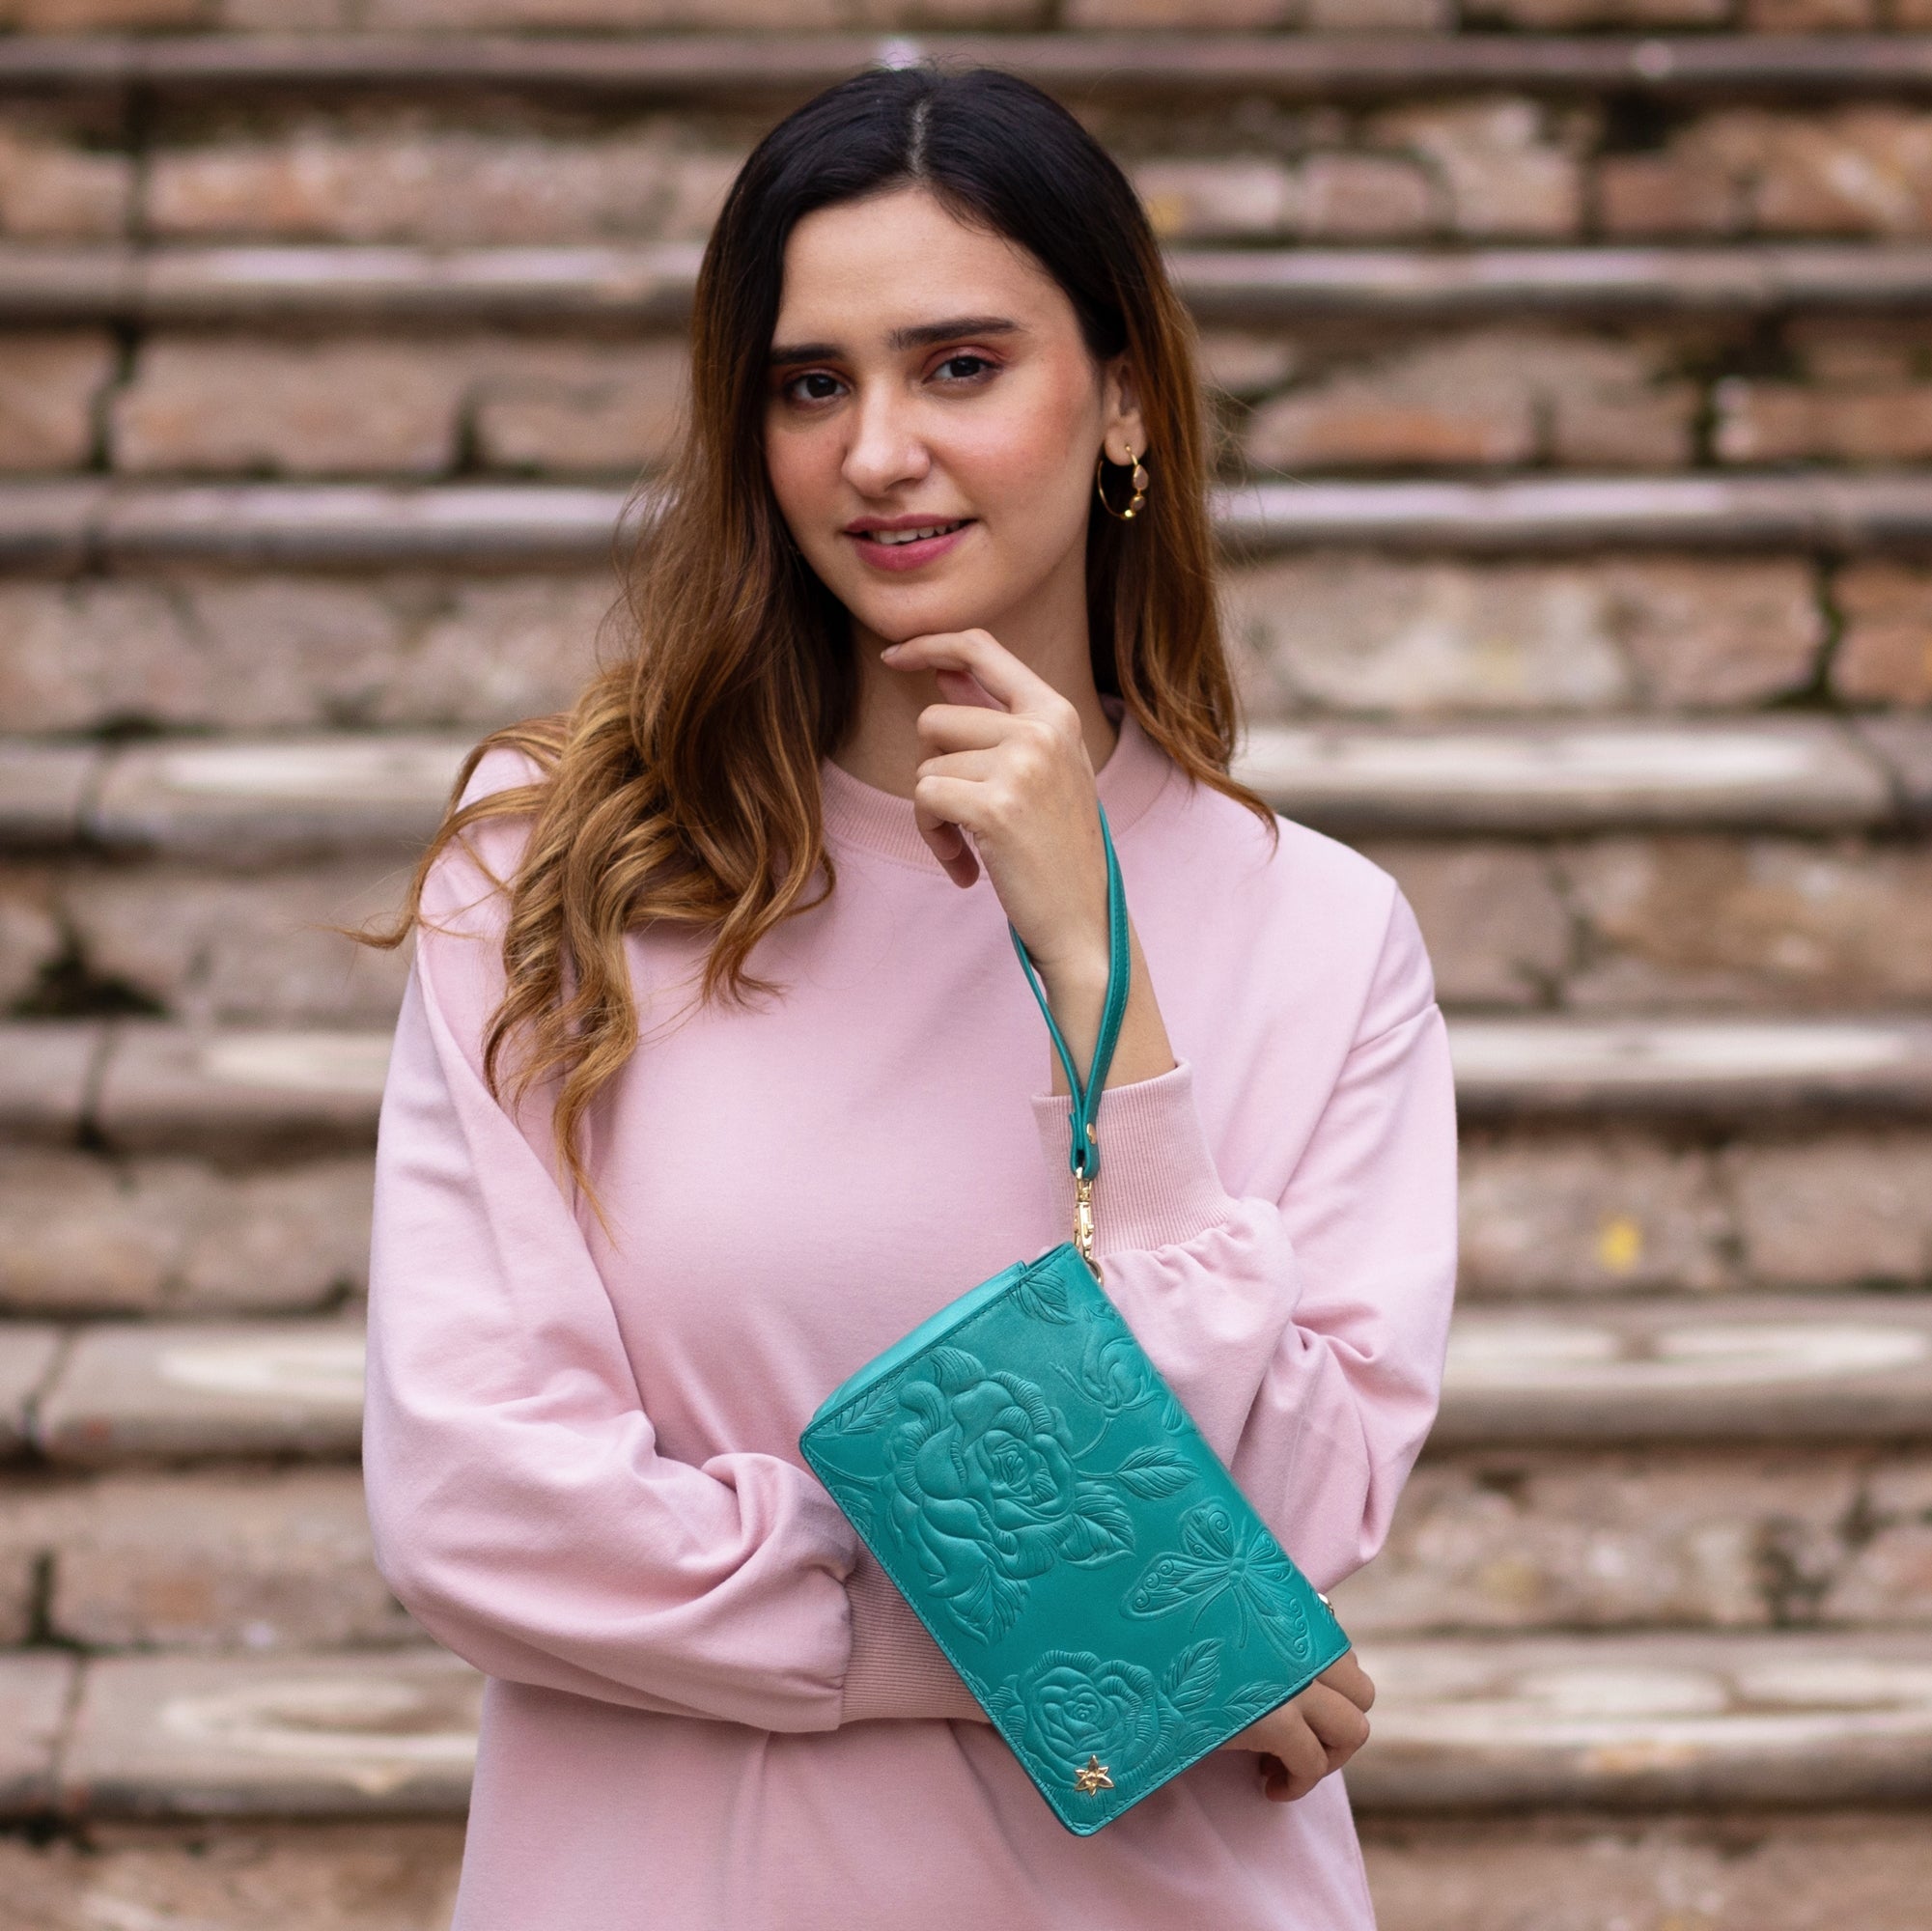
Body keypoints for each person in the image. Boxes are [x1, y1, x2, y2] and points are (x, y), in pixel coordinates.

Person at [360, 63, 1457, 1931]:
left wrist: (1100, 979)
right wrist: (1102, 1629)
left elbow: (1285, 1520)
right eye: (812, 384)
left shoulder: (1322, 936)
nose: (875, 452)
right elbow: (480, 1506)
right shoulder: (546, 879)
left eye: (960, 366)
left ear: (1122, 397)